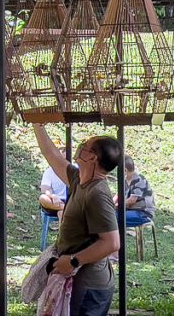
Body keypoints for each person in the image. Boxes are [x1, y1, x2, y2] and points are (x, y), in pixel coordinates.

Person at [34, 123, 121, 316]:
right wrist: (37, 123)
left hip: (89, 287)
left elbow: (112, 243)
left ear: (92, 157)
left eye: (85, 145)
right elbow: (52, 155)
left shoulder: (97, 194)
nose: (80, 146)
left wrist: (73, 261)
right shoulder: (79, 180)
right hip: (78, 283)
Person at [123, 156, 155, 226]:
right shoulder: (125, 179)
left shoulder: (139, 179)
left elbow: (132, 200)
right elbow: (119, 195)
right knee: (109, 215)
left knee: (116, 218)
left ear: (125, 170)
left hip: (143, 213)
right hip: (130, 210)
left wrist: (117, 205)